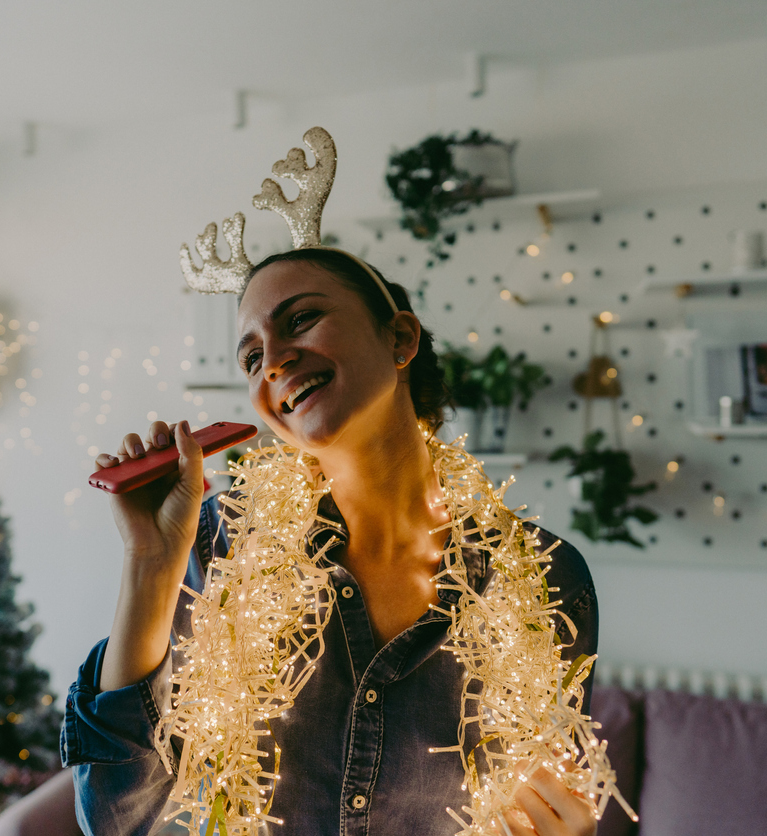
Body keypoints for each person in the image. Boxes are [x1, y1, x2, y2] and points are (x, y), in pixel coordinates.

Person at [62, 247, 599, 836]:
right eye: (250, 358)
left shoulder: (543, 578)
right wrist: (151, 562)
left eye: (299, 320)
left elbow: (550, 802)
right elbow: (118, 822)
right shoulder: (219, 544)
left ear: (400, 338)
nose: (272, 362)